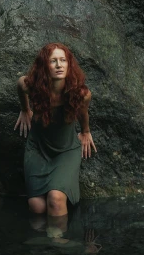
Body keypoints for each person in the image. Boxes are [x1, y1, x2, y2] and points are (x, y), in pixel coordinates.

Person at [14, 42, 97, 219]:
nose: (59, 65)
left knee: (56, 199)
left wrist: (85, 131)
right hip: (37, 149)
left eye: (63, 60)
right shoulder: (33, 87)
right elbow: (20, 85)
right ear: (45, 66)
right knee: (36, 206)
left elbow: (83, 113)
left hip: (65, 150)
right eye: (53, 61)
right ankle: (44, 244)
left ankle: (58, 244)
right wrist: (24, 109)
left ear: (69, 64)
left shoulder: (81, 93)